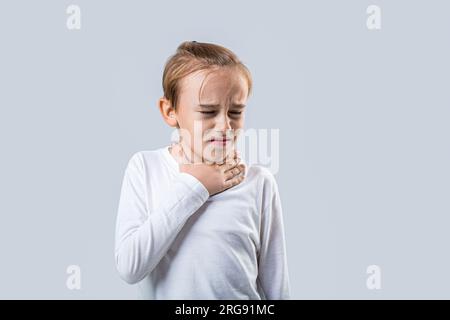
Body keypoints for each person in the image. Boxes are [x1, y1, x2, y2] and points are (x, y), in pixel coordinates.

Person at [114, 41, 290, 299]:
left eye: (236, 112)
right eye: (208, 111)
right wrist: (194, 185)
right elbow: (130, 267)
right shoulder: (145, 168)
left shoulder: (259, 183)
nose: (225, 126)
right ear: (170, 111)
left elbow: (277, 286)